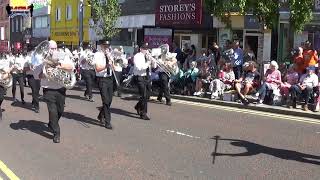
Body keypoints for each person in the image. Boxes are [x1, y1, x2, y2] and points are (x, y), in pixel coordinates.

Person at [33, 40, 74, 143]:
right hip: (48, 89)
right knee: (52, 111)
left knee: (60, 110)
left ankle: (52, 123)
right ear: (47, 49)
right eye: (51, 48)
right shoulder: (42, 60)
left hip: (60, 88)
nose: (53, 50)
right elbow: (36, 75)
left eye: (55, 48)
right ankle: (57, 133)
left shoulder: (63, 56)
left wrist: (60, 66)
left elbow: (71, 67)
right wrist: (43, 74)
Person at [95, 40, 114, 129]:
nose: (106, 48)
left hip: (110, 78)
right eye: (105, 46)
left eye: (108, 46)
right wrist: (107, 65)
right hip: (102, 79)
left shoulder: (109, 54)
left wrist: (111, 61)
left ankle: (101, 115)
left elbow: (114, 66)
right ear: (101, 46)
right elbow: (98, 69)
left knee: (109, 100)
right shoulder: (97, 55)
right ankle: (108, 121)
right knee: (105, 100)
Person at [133, 43, 154, 120]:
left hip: (147, 77)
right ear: (140, 49)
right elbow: (139, 67)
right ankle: (143, 113)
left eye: (147, 49)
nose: (146, 50)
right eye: (144, 49)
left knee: (147, 96)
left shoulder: (148, 56)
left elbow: (154, 66)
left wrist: (152, 60)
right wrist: (148, 62)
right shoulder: (137, 56)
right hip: (140, 77)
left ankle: (138, 106)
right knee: (144, 95)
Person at [0, 56, 12, 121]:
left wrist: (7, 73)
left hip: (1, 82)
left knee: (1, 97)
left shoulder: (5, 60)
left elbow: (7, 72)